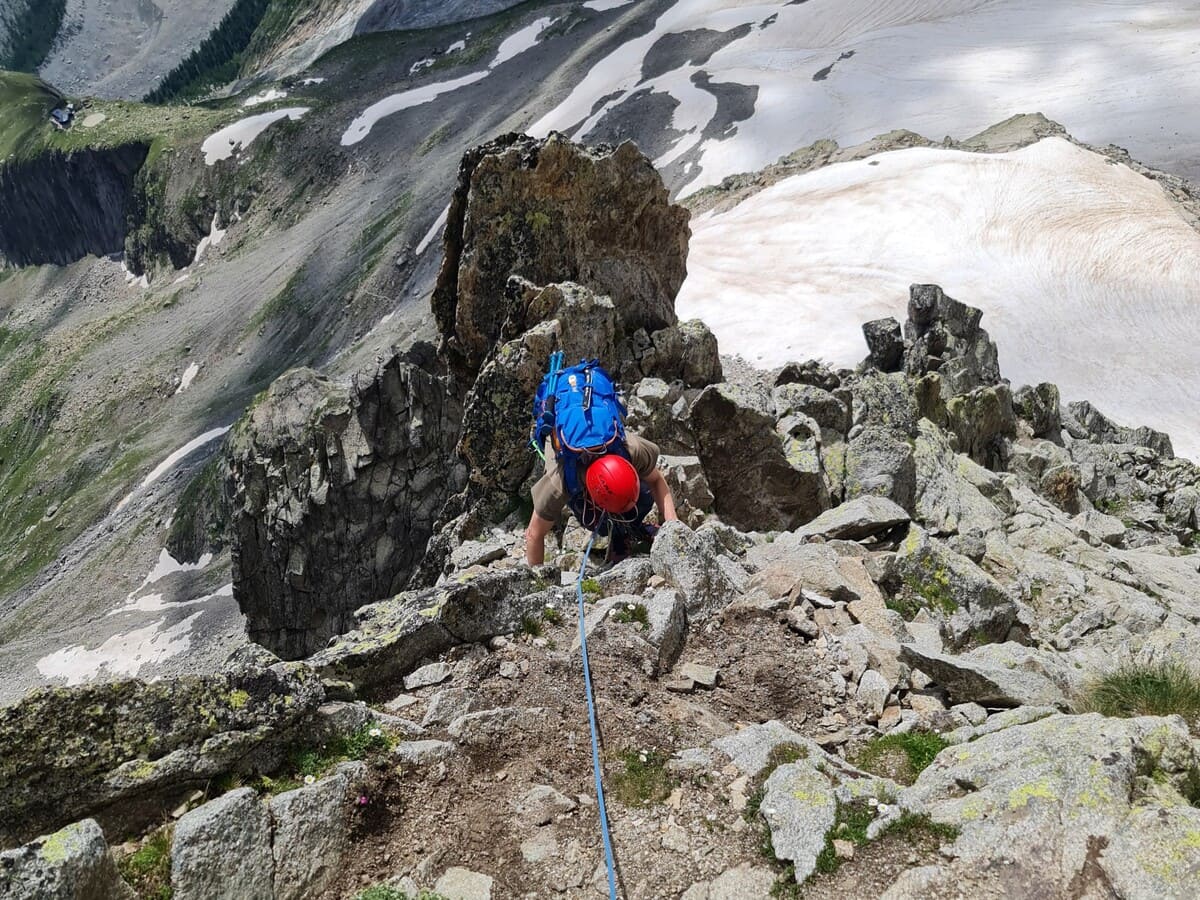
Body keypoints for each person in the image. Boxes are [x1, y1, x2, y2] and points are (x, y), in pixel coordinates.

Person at [523, 354, 677, 566]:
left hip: (599, 433)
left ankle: (624, 534)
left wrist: (673, 530)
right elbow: (533, 535)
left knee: (645, 494)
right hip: (568, 455)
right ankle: (615, 529)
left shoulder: (630, 449)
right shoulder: (559, 484)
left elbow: (658, 480)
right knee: (599, 523)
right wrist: (539, 587)